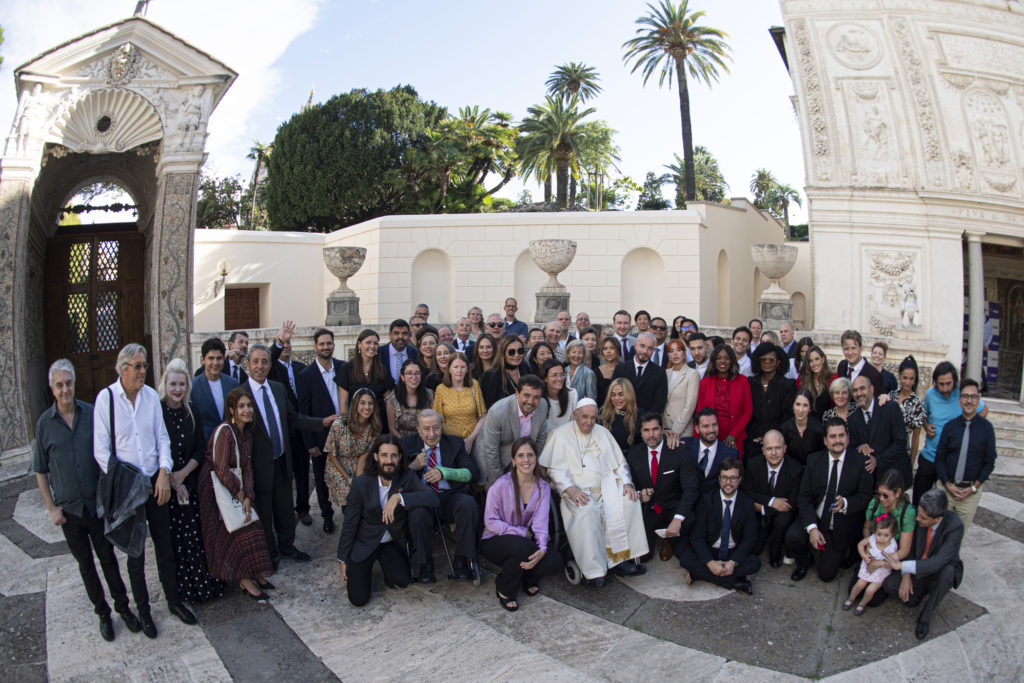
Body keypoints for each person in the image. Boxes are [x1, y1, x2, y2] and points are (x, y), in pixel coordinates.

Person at [94, 344, 197, 637]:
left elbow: (162, 439)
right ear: (123, 368)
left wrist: (164, 472)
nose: (143, 371)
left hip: (154, 483)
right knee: (135, 553)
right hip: (128, 488)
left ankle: (174, 602)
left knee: (165, 546)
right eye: (138, 366)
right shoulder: (107, 399)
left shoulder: (151, 396)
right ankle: (144, 611)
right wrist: (128, 481)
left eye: (144, 366)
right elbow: (101, 451)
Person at [35, 359, 134, 641]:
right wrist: (51, 508)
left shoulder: (92, 414)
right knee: (86, 565)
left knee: (108, 559)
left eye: (68, 383)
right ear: (52, 389)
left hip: (96, 505)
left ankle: (124, 608)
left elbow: (109, 452)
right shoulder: (45, 425)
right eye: (59, 385)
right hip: (69, 511)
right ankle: (103, 614)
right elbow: (40, 470)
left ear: (74, 384)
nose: (65, 390)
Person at [539, 399, 649, 587]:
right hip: (576, 491)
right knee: (587, 510)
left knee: (629, 501)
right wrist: (569, 488)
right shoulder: (560, 435)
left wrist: (627, 483)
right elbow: (554, 469)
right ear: (575, 415)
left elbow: (619, 464)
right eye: (584, 417)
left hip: (606, 487)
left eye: (592, 418)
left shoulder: (603, 432)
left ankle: (620, 560)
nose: (589, 422)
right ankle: (595, 571)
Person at [244, 344, 325, 567]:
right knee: (265, 512)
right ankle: (270, 553)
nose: (260, 366)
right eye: (256, 362)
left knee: (285, 508)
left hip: (282, 460)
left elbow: (294, 418)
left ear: (270, 365)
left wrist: (321, 423)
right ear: (248, 364)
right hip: (258, 466)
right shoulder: (241, 393)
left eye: (264, 362)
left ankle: (287, 546)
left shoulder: (277, 389)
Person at [337, 435, 439, 607]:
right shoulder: (361, 484)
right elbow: (350, 523)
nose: (389, 461)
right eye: (384, 455)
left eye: (393, 456)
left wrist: (399, 497)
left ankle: (386, 566)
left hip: (391, 542)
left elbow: (432, 498)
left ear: (400, 457)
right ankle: (362, 568)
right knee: (358, 599)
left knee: (402, 581)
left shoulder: (407, 477)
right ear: (376, 457)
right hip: (365, 541)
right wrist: (342, 557)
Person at [196, 387, 275, 600]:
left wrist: (248, 496)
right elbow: (221, 468)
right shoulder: (224, 431)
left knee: (253, 526)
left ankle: (254, 572)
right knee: (235, 532)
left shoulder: (246, 434)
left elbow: (247, 467)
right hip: (217, 490)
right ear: (232, 409)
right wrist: (241, 497)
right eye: (241, 406)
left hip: (237, 487)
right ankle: (243, 578)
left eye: (249, 406)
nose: (247, 410)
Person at [158, 360, 224, 603]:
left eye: (181, 384)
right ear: (165, 384)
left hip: (191, 482)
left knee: (198, 536)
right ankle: (182, 591)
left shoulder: (191, 410)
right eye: (173, 384)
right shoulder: (158, 411)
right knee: (176, 542)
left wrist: (183, 476)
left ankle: (205, 586)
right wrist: (173, 481)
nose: (177, 389)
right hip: (166, 487)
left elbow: (199, 450)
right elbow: (156, 452)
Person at [786, 418, 874, 583]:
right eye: (833, 437)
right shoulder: (813, 461)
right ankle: (805, 561)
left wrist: (847, 503)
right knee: (792, 536)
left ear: (847, 437)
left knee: (826, 575)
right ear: (825, 441)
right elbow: (804, 497)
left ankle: (838, 551)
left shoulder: (860, 462)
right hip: (816, 518)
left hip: (838, 525)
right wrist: (812, 528)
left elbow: (866, 496)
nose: (838, 440)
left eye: (841, 435)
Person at [480, 437, 562, 610]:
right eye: (521, 456)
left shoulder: (542, 488)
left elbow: (540, 524)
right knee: (524, 547)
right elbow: (490, 522)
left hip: (525, 542)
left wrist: (542, 549)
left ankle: (527, 578)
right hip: (495, 539)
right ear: (514, 461)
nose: (526, 460)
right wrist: (520, 532)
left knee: (553, 560)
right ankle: (505, 587)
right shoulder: (500, 485)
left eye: (530, 455)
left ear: (536, 458)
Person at [402, 410, 481, 582]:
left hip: (449, 496)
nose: (432, 434)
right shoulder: (406, 445)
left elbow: (472, 473)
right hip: (423, 499)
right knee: (417, 514)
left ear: (441, 427)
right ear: (418, 430)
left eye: (436, 428)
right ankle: (425, 565)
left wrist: (445, 473)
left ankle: (462, 560)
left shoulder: (454, 443)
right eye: (426, 429)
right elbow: (395, 479)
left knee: (468, 504)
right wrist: (412, 467)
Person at [880, 488, 965, 641]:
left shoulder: (955, 527)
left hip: (939, 570)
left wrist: (900, 567)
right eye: (918, 514)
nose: (918, 519)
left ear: (937, 519)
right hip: (918, 565)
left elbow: (937, 562)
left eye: (923, 518)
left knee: (948, 574)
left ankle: (925, 618)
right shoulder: (921, 517)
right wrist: (905, 575)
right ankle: (917, 595)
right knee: (890, 585)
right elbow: (911, 548)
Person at [677, 457, 760, 593]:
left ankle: (699, 573)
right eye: (724, 478)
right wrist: (710, 562)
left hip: (731, 551)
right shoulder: (707, 500)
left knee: (755, 564)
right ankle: (735, 582)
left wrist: (733, 563)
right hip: (711, 549)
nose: (728, 482)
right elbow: (697, 536)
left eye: (733, 478)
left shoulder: (747, 503)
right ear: (719, 479)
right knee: (685, 558)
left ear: (740, 480)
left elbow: (749, 538)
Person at [625, 413, 700, 562]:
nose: (651, 435)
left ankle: (670, 541)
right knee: (643, 557)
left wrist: (678, 519)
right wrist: (639, 494)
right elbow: (629, 484)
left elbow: (691, 488)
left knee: (688, 518)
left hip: (672, 506)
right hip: (649, 509)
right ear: (641, 432)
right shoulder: (634, 454)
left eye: (655, 429)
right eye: (646, 430)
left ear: (663, 429)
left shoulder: (678, 451)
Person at [295, 327, 344, 533]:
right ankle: (327, 516)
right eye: (322, 344)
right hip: (319, 437)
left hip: (343, 435)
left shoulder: (343, 367)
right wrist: (310, 443)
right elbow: (303, 412)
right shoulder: (305, 375)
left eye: (329, 343)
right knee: (323, 481)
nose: (326, 347)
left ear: (333, 345)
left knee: (344, 475)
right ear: (315, 347)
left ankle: (348, 512)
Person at [917, 362, 987, 505]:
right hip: (929, 457)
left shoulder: (962, 395)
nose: (945, 388)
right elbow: (925, 415)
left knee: (943, 506)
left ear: (954, 380)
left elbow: (984, 409)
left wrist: (969, 430)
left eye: (948, 383)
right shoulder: (930, 395)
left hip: (950, 462)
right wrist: (926, 425)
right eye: (941, 384)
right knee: (919, 502)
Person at [934, 379, 997, 531]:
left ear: (978, 401)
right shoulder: (950, 427)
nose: (969, 401)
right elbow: (940, 458)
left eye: (973, 397)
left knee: (957, 539)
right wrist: (948, 486)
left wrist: (973, 488)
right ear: (959, 400)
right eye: (965, 396)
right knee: (937, 536)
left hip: (969, 495)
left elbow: (989, 463)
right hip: (946, 490)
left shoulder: (987, 429)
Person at [850, 468, 917, 608]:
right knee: (854, 591)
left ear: (898, 493)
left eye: (885, 495)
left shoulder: (907, 512)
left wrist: (882, 562)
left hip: (891, 558)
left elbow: (904, 550)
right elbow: (867, 528)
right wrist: (869, 546)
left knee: (872, 599)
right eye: (879, 494)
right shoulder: (875, 504)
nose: (881, 499)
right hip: (874, 550)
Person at [268, 323, 309, 525]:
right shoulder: (272, 369)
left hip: (301, 428)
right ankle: (285, 513)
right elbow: (270, 356)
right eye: (283, 344)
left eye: (289, 343)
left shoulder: (301, 369)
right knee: (285, 476)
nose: (287, 347)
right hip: (283, 430)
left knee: (302, 472)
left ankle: (303, 509)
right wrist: (279, 341)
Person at [742, 430, 803, 568]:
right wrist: (770, 503)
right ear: (763, 450)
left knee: (783, 518)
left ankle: (775, 550)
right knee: (755, 550)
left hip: (782, 515)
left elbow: (791, 502)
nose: (774, 453)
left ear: (785, 448)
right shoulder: (753, 464)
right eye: (769, 448)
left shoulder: (796, 469)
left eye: (778, 448)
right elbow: (747, 493)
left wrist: (763, 505)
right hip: (760, 513)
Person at [477, 375, 549, 486]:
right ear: (517, 393)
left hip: (523, 456)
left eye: (536, 397)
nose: (531, 401)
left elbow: (540, 437)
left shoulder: (543, 405)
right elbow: (491, 451)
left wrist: (534, 464)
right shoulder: (498, 412)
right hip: (498, 456)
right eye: (526, 395)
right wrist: (499, 484)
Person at [323, 388, 383, 510]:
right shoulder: (339, 424)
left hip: (359, 466)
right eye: (362, 403)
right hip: (338, 466)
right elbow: (331, 453)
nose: (367, 407)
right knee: (350, 497)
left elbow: (364, 455)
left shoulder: (374, 428)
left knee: (362, 493)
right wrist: (348, 478)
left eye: (370, 403)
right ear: (355, 404)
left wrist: (357, 480)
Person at [848, 375, 909, 486]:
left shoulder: (890, 408)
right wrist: (859, 447)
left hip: (895, 478)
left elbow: (900, 442)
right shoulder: (852, 419)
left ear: (871, 389)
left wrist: (878, 460)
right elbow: (852, 446)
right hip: (871, 482)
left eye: (862, 388)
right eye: (855, 390)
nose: (859, 393)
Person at [696, 344, 752, 459]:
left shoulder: (743, 381)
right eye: (719, 358)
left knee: (731, 472)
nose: (723, 361)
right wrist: (699, 437)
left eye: (727, 358)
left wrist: (733, 434)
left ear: (732, 360)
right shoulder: (705, 382)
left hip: (734, 437)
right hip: (709, 435)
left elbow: (748, 411)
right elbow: (699, 412)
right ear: (713, 361)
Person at [746, 344, 796, 459]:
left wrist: (769, 437)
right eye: (763, 359)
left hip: (777, 443)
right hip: (753, 442)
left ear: (778, 362)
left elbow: (789, 417)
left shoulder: (788, 385)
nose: (767, 362)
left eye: (771, 360)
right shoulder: (750, 383)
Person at [844, 514, 899, 615]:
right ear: (875, 532)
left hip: (881, 571)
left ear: (893, 534)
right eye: (879, 534)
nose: (881, 538)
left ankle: (862, 603)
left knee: (870, 590)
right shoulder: (872, 539)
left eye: (886, 535)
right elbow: (860, 544)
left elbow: (892, 562)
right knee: (860, 584)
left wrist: (885, 562)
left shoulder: (892, 546)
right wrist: (864, 556)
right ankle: (851, 598)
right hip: (868, 566)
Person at [432, 352, 486, 453]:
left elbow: (483, 416)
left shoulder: (474, 385)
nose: (459, 371)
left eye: (463, 367)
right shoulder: (441, 389)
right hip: (450, 444)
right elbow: (437, 419)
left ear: (467, 370)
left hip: (474, 441)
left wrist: (471, 438)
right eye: (455, 367)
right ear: (449, 369)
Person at [336, 329, 394, 421]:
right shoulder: (347, 369)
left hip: (379, 424)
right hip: (355, 424)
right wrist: (346, 426)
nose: (372, 346)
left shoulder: (382, 370)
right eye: (368, 343)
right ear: (359, 344)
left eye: (375, 343)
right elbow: (344, 403)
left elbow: (389, 401)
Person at [191, 337, 239, 441]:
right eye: (211, 358)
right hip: (206, 448)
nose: (215, 363)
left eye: (219, 358)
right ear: (203, 360)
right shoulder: (193, 387)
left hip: (231, 444)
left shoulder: (233, 384)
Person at [612, 331, 668, 416]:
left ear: (653, 350)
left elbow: (659, 403)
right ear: (635, 345)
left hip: (646, 423)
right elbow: (612, 396)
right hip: (621, 419)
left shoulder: (659, 373)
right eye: (642, 346)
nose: (645, 351)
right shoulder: (620, 368)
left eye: (650, 348)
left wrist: (646, 420)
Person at [684, 407, 739, 494]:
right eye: (706, 426)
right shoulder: (685, 445)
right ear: (697, 429)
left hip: (714, 505)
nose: (712, 430)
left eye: (714, 425)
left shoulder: (730, 454)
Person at [889, 356, 927, 471]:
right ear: (900, 376)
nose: (907, 382)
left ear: (915, 379)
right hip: (885, 450)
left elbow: (916, 438)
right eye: (905, 378)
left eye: (911, 379)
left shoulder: (917, 402)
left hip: (902, 453)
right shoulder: (891, 396)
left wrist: (910, 464)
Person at [387, 359, 434, 439]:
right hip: (402, 443)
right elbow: (392, 428)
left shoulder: (430, 395)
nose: (414, 377)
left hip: (426, 441)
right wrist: (405, 444)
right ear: (402, 377)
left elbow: (434, 422)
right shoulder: (393, 398)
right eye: (409, 373)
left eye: (417, 373)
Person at [663, 338, 700, 437]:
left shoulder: (692, 374)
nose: (675, 353)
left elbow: (689, 407)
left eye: (678, 350)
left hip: (682, 431)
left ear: (684, 353)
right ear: (668, 355)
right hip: (664, 429)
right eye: (671, 351)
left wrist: (675, 431)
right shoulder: (665, 373)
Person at [780, 389, 824, 467]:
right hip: (792, 472)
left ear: (810, 408)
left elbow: (822, 455)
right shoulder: (785, 429)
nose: (801, 409)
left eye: (805, 405)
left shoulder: (818, 429)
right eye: (798, 404)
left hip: (812, 471)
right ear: (793, 405)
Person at [481, 334, 526, 408]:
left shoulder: (525, 369)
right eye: (511, 352)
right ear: (503, 354)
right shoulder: (492, 374)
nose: (517, 355)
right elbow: (489, 405)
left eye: (520, 351)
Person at [835, 330, 884, 397]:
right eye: (846, 349)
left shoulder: (874, 375)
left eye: (853, 348)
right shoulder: (842, 365)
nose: (850, 352)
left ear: (861, 349)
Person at [600, 377, 640, 455]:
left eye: (621, 394)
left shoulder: (639, 415)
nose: (617, 398)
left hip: (629, 461)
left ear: (629, 395)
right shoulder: (603, 413)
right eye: (613, 395)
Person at [797, 345, 836, 419]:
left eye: (817, 359)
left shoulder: (833, 378)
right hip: (809, 425)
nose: (814, 364)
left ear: (823, 359)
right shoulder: (802, 380)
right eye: (810, 361)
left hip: (828, 424)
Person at [541, 359, 577, 433]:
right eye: (554, 375)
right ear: (545, 378)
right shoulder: (539, 399)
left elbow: (574, 423)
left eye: (562, 374)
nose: (560, 379)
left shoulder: (572, 394)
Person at [380, 319, 419, 385]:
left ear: (410, 335)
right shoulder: (379, 353)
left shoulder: (416, 354)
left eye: (404, 333)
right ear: (389, 335)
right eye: (396, 333)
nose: (400, 337)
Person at [596, 336, 622, 405]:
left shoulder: (625, 369)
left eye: (612, 348)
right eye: (605, 349)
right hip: (602, 410)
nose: (608, 351)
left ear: (618, 350)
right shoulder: (597, 371)